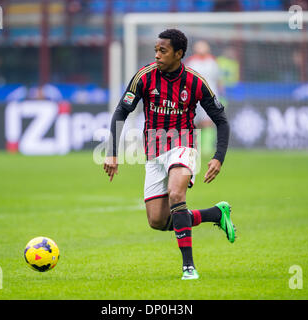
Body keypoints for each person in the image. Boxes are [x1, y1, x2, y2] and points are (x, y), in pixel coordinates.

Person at [103, 29, 235, 280]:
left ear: (179, 53)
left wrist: (219, 156)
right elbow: (121, 111)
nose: (157, 55)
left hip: (183, 145)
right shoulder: (145, 76)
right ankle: (215, 214)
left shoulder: (196, 82)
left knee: (176, 193)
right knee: (158, 221)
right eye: (156, 50)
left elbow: (222, 120)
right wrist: (111, 152)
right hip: (153, 152)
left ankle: (189, 267)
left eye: (162, 51)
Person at [186, 40, 221, 157]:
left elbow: (218, 79)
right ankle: (195, 146)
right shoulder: (192, 62)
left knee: (208, 121)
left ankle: (207, 148)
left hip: (210, 94)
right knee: (195, 122)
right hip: (195, 95)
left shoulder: (212, 61)